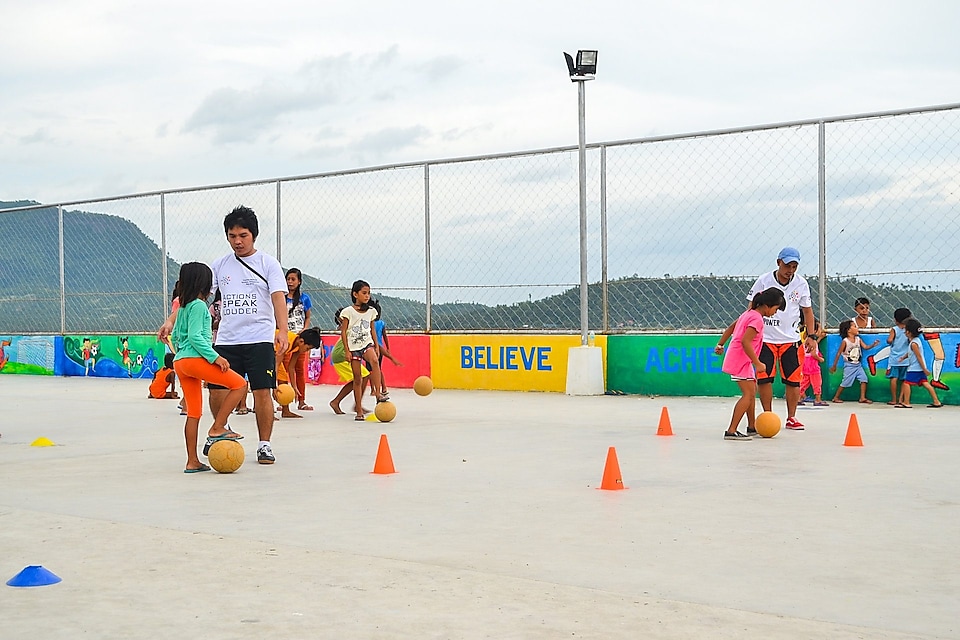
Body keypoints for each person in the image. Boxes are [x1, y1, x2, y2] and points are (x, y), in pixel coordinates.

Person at [159, 205, 288, 465]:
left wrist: (282, 330)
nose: (237, 241)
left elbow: (277, 297)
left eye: (243, 235)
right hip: (227, 339)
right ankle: (221, 431)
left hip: (259, 337)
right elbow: (195, 297)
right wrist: (171, 321)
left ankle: (264, 445)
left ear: (254, 235)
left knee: (262, 391)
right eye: (232, 236)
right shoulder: (220, 265)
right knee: (217, 391)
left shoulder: (268, 264)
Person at [169, 262, 247, 473]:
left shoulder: (183, 307)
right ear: (203, 283)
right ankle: (218, 427)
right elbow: (196, 337)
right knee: (240, 385)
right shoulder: (199, 306)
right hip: (194, 359)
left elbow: (176, 336)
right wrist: (215, 357)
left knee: (193, 412)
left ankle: (192, 461)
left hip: (181, 362)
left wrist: (182, 355)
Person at [746, 247, 816, 430]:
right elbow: (751, 307)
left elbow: (807, 311)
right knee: (764, 379)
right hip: (766, 339)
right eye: (787, 265)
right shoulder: (764, 281)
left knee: (793, 380)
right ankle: (768, 415)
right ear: (778, 262)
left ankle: (791, 417)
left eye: (794, 266)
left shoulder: (801, 284)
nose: (790, 270)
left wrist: (812, 335)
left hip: (791, 340)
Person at [717, 287, 786, 440]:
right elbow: (745, 341)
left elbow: (731, 327)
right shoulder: (757, 319)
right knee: (748, 394)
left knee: (752, 391)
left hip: (741, 360)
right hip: (741, 361)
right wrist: (758, 363)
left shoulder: (748, 314)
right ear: (767, 306)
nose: (775, 312)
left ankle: (752, 426)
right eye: (776, 309)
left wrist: (720, 344)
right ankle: (731, 430)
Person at [339, 280, 388, 421]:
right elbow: (343, 332)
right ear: (355, 294)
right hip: (354, 348)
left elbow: (372, 329)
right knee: (358, 379)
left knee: (374, 361)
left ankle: (378, 393)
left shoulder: (371, 312)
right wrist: (347, 350)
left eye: (368, 293)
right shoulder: (348, 312)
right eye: (364, 293)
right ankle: (358, 410)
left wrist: (376, 346)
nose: (367, 296)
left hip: (367, 344)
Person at [329, 308, 371, 416]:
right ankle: (353, 405)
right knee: (362, 376)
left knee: (360, 377)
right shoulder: (350, 327)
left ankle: (342, 402)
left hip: (342, 354)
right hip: (341, 355)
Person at [896, 317, 944, 408]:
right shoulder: (916, 341)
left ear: (908, 332)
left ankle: (906, 402)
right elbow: (911, 353)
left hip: (915, 368)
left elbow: (918, 356)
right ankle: (936, 401)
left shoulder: (914, 344)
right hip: (919, 368)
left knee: (906, 383)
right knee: (925, 383)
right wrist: (903, 357)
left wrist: (924, 369)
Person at [283, 267, 313, 411]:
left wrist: (305, 329)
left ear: (299, 281)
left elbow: (307, 316)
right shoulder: (281, 296)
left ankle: (301, 400)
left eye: (293, 279)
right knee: (283, 369)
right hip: (284, 338)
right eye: (288, 279)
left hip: (299, 339)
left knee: (299, 369)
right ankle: (283, 401)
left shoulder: (304, 298)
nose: (290, 282)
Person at [275, 328, 322, 419]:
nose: (307, 351)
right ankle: (265, 413)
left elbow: (291, 367)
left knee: (283, 379)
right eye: (307, 348)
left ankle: (286, 411)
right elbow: (276, 364)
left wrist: (294, 387)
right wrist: (273, 385)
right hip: (263, 350)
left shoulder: (298, 346)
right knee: (267, 382)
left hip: (275, 356)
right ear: (301, 341)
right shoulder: (286, 342)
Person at [829, 319, 880, 404]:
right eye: (855, 326)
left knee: (864, 379)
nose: (857, 328)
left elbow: (865, 347)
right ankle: (836, 397)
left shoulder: (858, 339)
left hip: (858, 365)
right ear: (848, 330)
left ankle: (862, 397)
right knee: (845, 382)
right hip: (849, 365)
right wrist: (834, 365)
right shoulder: (845, 341)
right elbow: (839, 353)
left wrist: (873, 345)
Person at [364, 299, 403, 399]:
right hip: (379, 349)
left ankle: (373, 389)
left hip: (371, 348)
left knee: (369, 371)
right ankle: (384, 388)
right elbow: (385, 336)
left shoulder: (368, 324)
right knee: (378, 369)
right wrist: (388, 348)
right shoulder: (381, 323)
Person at [884, 308, 912, 405]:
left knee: (894, 378)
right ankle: (901, 399)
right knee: (905, 380)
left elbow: (890, 340)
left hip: (895, 359)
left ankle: (894, 399)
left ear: (895, 319)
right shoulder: (908, 330)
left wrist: (889, 341)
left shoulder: (894, 329)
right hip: (906, 359)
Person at [798, 319, 827, 406]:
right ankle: (818, 399)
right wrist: (820, 359)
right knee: (817, 382)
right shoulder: (813, 342)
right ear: (814, 331)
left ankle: (798, 398)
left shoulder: (806, 340)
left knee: (804, 382)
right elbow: (814, 354)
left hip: (805, 363)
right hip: (812, 364)